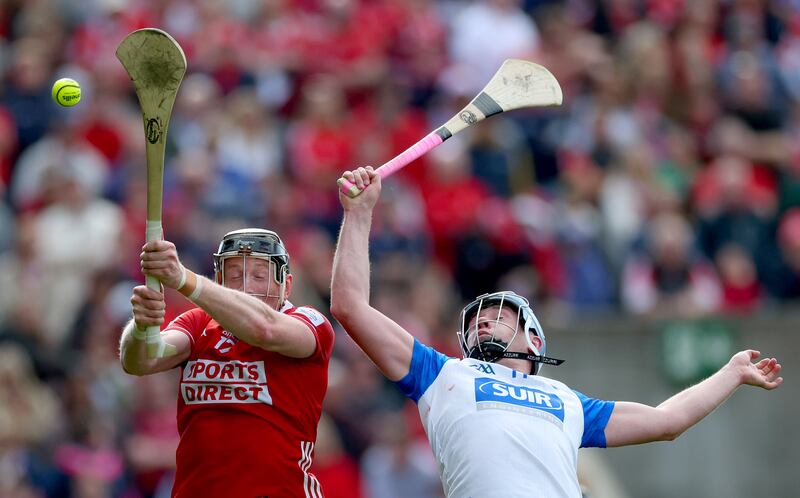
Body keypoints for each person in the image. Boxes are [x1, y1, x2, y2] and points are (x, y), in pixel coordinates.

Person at [329, 167, 783, 498]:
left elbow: (665, 421)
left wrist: (732, 372)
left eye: (501, 316)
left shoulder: (568, 401)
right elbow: (350, 307)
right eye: (475, 321)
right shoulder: (441, 374)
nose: (484, 321)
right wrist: (360, 214)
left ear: (534, 339)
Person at [120, 228, 335, 498]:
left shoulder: (309, 323)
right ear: (220, 280)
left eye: (259, 275)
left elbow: (263, 329)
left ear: (286, 285)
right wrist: (142, 326)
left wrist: (182, 278)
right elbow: (140, 362)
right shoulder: (198, 323)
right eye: (235, 275)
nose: (246, 285)